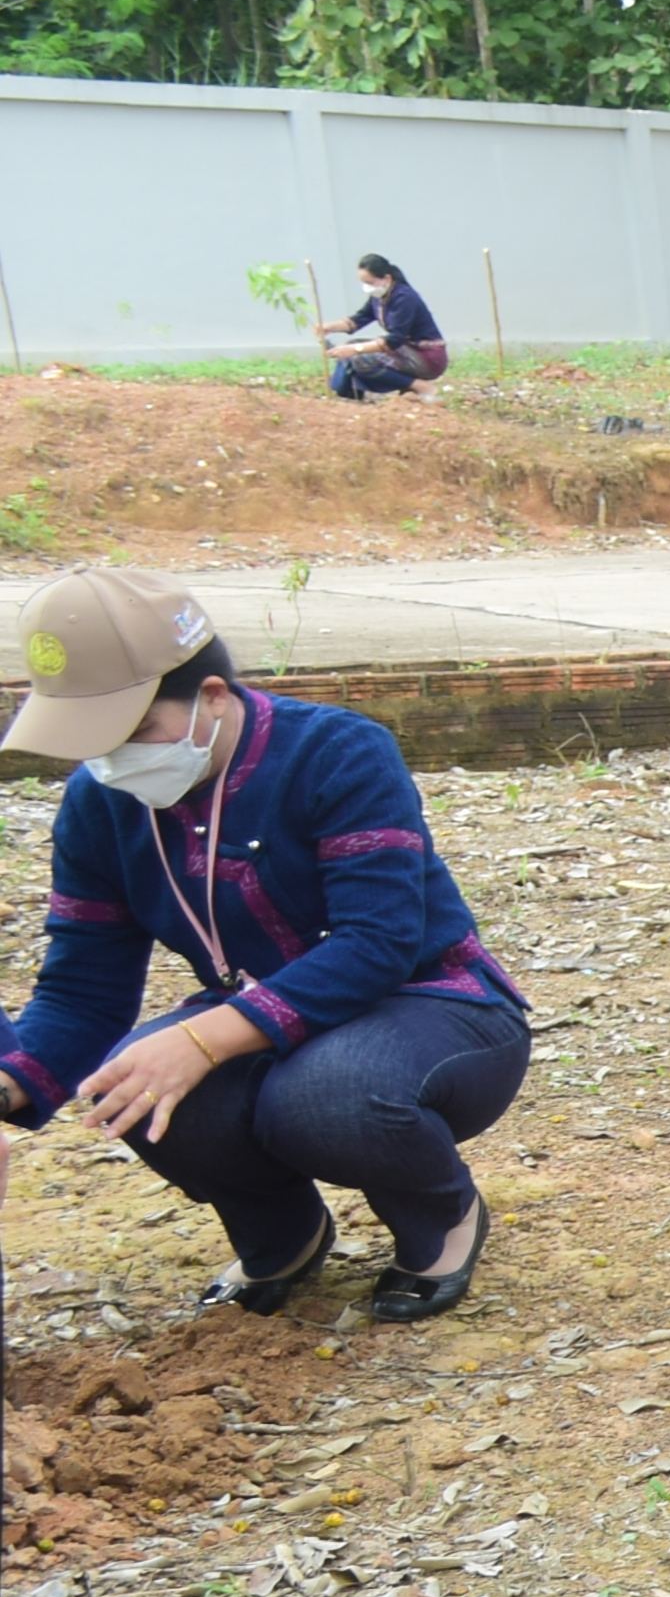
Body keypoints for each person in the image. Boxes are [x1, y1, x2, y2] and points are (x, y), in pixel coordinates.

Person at [0, 564, 532, 1322]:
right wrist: (11, 1082)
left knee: (321, 1096)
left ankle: (439, 1219)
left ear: (212, 699)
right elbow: (82, 989)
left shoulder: (336, 752)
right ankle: (282, 1238)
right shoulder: (100, 802)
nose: (115, 760)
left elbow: (377, 943)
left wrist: (204, 1039)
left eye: (136, 733)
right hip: (265, 1017)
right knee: (139, 1088)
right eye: (96, 743)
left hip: (429, 1006)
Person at [318, 254, 447, 399]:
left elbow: (394, 340)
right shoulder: (379, 297)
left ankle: (419, 386)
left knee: (361, 358)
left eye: (370, 283)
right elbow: (360, 319)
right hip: (405, 351)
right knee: (352, 346)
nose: (367, 288)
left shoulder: (404, 298)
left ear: (387, 278)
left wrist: (355, 350)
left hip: (425, 356)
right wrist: (330, 327)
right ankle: (348, 391)